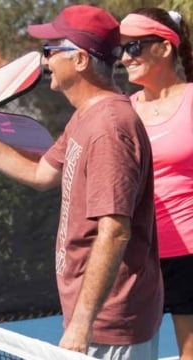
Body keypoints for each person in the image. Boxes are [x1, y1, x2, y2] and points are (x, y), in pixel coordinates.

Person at [0, 5, 163, 359]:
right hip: (93, 316)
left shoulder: (110, 128)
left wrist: (82, 323)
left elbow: (114, 231)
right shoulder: (87, 117)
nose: (44, 60)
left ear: (79, 59)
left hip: (109, 323)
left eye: (50, 51)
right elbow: (40, 174)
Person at [119, 7, 193, 359]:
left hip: (190, 256)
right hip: (137, 256)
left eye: (134, 46)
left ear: (164, 48)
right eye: (122, 47)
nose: (124, 57)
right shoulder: (123, 110)